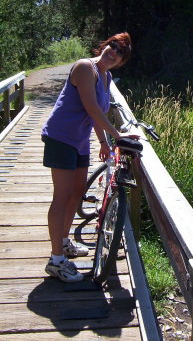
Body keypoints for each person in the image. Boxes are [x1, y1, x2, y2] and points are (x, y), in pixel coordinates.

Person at [41, 32, 139, 282]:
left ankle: (63, 242)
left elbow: (98, 112)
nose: (113, 51)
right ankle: (56, 261)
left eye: (120, 52)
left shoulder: (105, 76)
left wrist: (104, 142)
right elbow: (91, 108)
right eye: (112, 45)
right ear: (105, 45)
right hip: (61, 136)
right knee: (62, 197)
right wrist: (118, 134)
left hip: (79, 139)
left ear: (121, 62)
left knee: (76, 194)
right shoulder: (86, 67)